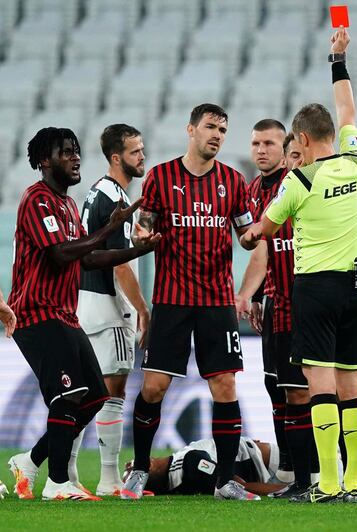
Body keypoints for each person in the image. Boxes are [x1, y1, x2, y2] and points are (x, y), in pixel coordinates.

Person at [242, 28, 357, 503]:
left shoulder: (298, 180)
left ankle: (327, 483)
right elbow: (349, 109)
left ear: (305, 140)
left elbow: (262, 233)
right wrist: (338, 60)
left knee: (320, 387)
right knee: (353, 384)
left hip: (312, 289)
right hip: (353, 288)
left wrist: (249, 231)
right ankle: (354, 480)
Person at [6, 127, 156, 501]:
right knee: (67, 395)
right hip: (36, 313)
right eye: (65, 152)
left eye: (76, 151)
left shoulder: (69, 206)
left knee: (92, 398)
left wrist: (137, 250)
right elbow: (60, 253)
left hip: (65, 315)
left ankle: (30, 461)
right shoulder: (36, 200)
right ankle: (57, 483)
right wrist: (109, 226)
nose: (75, 157)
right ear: (44, 160)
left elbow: (88, 257)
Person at [120, 104, 259, 501]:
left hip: (216, 302)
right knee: (154, 387)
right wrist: (143, 238)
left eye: (223, 129)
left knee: (225, 386)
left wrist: (251, 238)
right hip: (172, 299)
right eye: (211, 127)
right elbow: (141, 230)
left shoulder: (233, 181)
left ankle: (226, 481)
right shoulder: (161, 178)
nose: (217, 134)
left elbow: (246, 231)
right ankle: (141, 470)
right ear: (191, 130)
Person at [65, 124, 151, 497]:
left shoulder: (101, 192)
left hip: (86, 301)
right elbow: (119, 265)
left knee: (86, 394)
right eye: (134, 152)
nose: (142, 156)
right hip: (106, 304)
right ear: (116, 158)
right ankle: (110, 478)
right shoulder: (114, 198)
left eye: (142, 149)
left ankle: (61, 475)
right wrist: (143, 310)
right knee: (111, 390)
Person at [236, 126, 320, 498]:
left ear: (286, 150)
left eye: (269, 143)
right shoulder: (254, 190)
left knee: (303, 392)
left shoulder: (298, 185)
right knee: (276, 388)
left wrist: (245, 292)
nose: (261, 150)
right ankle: (288, 467)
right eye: (255, 143)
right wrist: (255, 296)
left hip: (304, 304)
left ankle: (314, 472)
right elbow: (262, 250)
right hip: (274, 306)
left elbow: (264, 247)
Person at [125, 437, 357, 497]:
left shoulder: (188, 463)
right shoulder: (187, 470)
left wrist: (287, 489)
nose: (136, 466)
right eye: (136, 472)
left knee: (348, 471)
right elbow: (234, 485)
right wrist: (285, 490)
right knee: (345, 472)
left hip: (266, 457)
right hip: (264, 468)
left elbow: (234, 484)